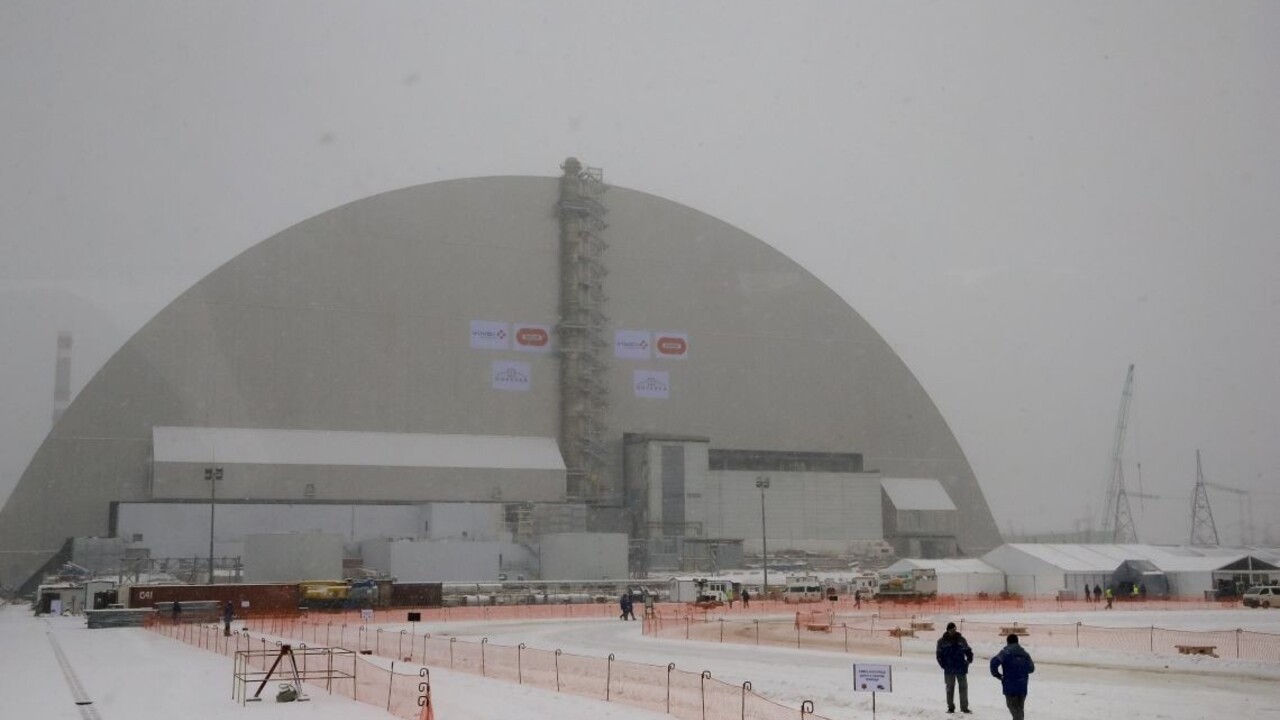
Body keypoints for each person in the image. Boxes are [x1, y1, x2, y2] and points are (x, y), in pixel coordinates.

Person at [990, 633, 1035, 720]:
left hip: (1010, 685)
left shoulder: (1005, 653)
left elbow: (994, 663)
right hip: (1022, 685)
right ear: (1017, 642)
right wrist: (1021, 670)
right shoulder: (1025, 654)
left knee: (1014, 709)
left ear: (1007, 642)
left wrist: (997, 675)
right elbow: (1031, 669)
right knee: (1019, 709)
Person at [936, 621, 974, 714]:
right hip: (949, 669)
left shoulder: (961, 640)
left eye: (954, 629)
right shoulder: (941, 642)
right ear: (948, 630)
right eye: (952, 630)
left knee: (963, 688)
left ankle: (964, 707)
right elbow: (939, 655)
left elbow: (968, 651)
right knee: (949, 689)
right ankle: (951, 707)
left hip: (961, 668)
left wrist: (968, 661)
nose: (953, 631)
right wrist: (944, 665)